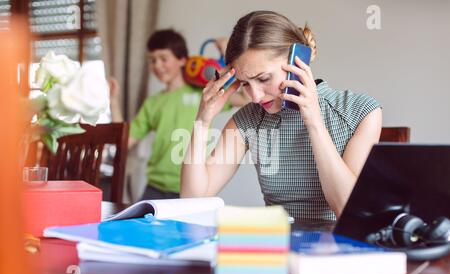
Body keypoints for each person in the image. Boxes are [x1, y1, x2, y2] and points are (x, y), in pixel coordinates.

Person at [180, 11, 382, 220]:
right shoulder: (249, 119)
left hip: (339, 247)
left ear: (297, 61)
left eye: (264, 78)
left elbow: (347, 210)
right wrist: (203, 121)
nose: (255, 96)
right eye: (245, 84)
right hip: (277, 246)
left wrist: (313, 121)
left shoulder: (360, 111)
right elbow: (193, 198)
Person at [110, 29, 249, 200]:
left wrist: (228, 52)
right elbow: (124, 141)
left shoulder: (205, 93)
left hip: (193, 187)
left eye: (163, 58)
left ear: (182, 59)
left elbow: (244, 98)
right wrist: (113, 101)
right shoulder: (152, 103)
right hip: (154, 188)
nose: (157, 65)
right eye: (152, 60)